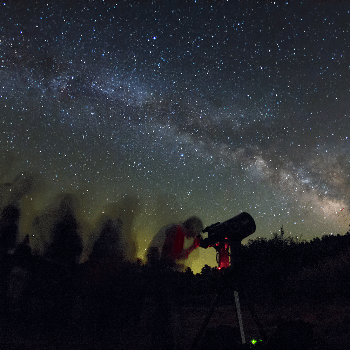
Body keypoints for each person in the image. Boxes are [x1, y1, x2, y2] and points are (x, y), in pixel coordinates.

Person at [145, 216, 203, 350]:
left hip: (159, 273)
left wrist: (193, 247)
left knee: (164, 311)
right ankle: (165, 342)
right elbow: (168, 256)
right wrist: (175, 267)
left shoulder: (177, 231)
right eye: (195, 232)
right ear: (192, 227)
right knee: (166, 311)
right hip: (160, 273)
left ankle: (162, 340)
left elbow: (177, 255)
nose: (195, 235)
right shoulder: (175, 230)